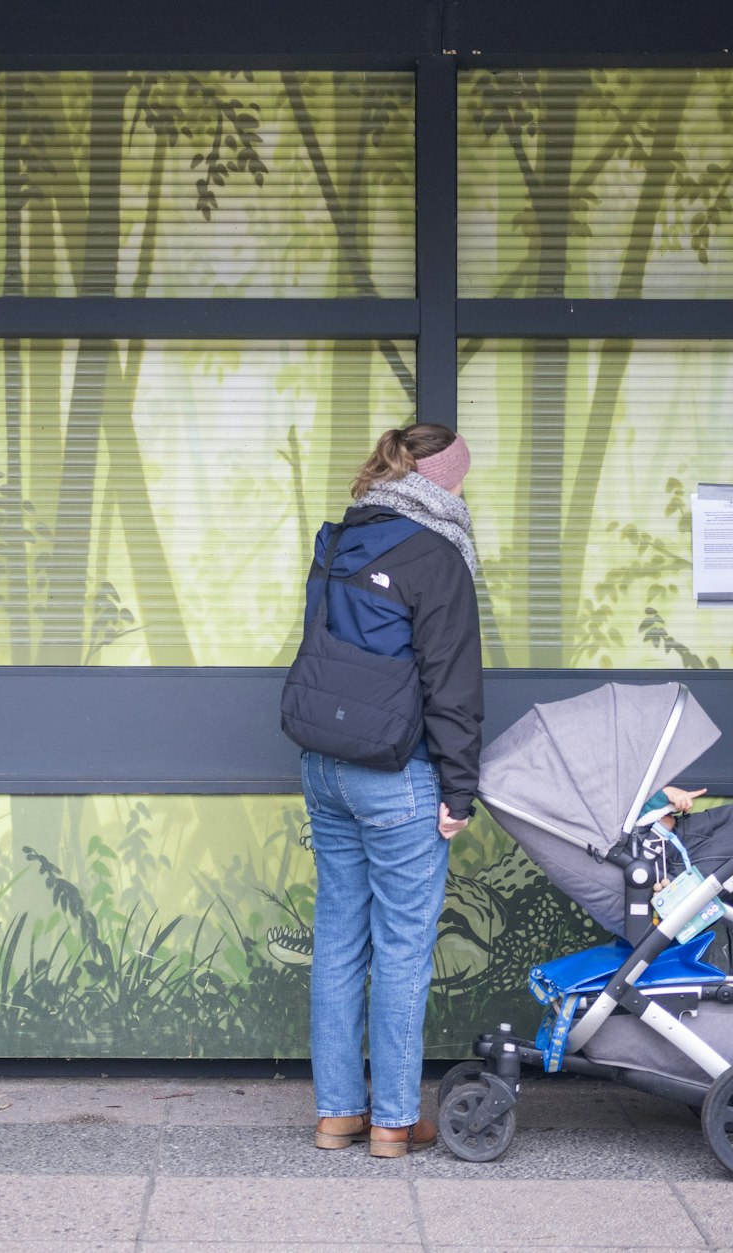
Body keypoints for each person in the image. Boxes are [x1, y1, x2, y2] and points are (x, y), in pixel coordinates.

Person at [299, 423, 482, 1159]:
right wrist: (459, 790)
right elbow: (453, 683)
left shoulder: (341, 539)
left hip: (325, 763)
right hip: (399, 772)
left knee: (340, 936)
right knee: (402, 946)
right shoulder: (436, 554)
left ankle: (337, 1113)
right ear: (444, 479)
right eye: (464, 480)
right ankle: (393, 1120)